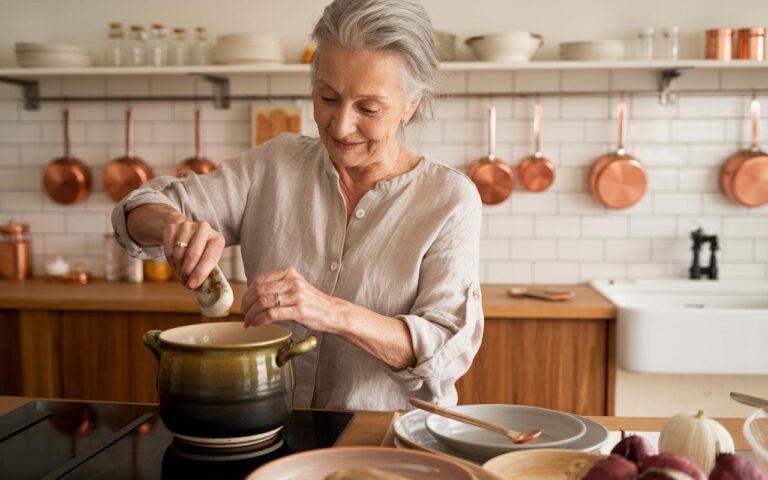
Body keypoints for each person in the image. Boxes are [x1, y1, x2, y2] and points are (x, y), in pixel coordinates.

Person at [111, 0, 483, 411]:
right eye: (327, 98)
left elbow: (445, 349)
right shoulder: (273, 164)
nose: (341, 126)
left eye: (368, 108)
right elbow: (138, 208)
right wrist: (171, 225)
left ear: (410, 104)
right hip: (275, 428)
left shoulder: (450, 199)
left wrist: (331, 312)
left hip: (387, 444)